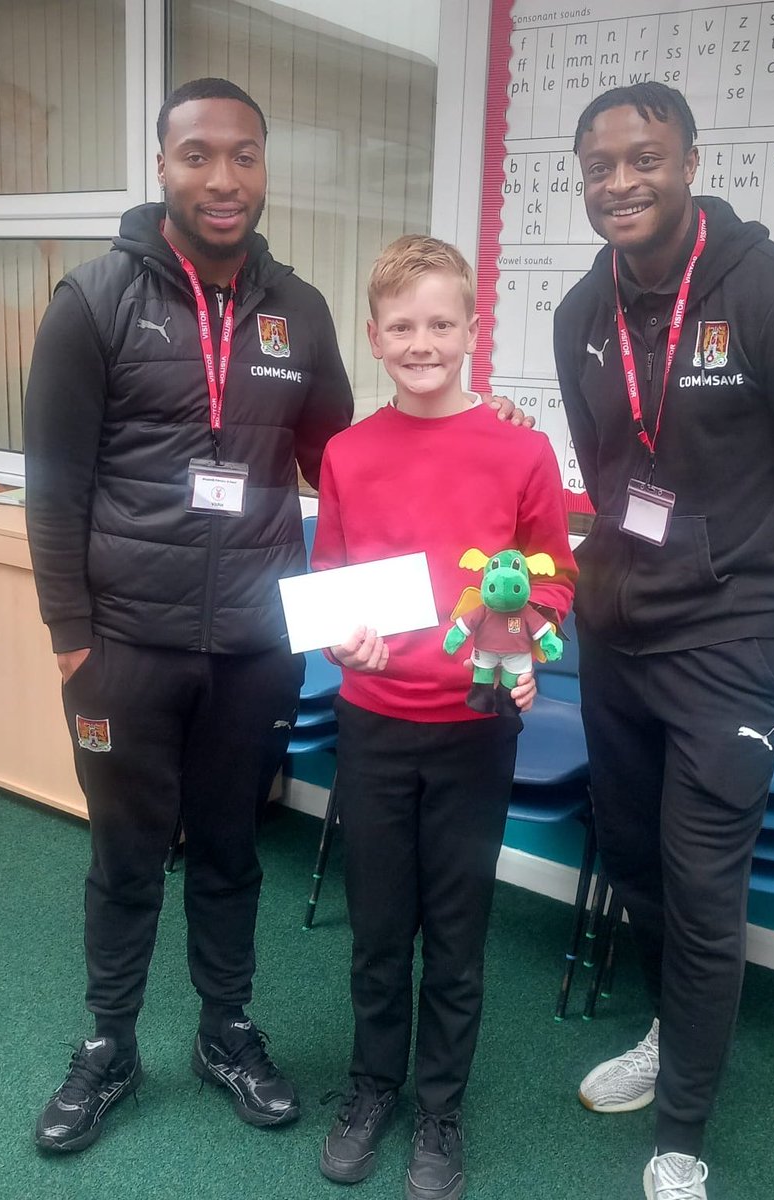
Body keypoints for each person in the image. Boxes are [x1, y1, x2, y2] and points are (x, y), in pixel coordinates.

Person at [23, 77, 532, 1156]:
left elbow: (352, 458)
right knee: (123, 853)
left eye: (244, 156)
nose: (222, 177)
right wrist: (73, 637)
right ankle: (109, 1046)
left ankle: (225, 1030)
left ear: (264, 169)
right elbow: (54, 483)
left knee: (229, 850)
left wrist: (486, 423)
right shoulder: (93, 300)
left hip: (253, 647)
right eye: (198, 154)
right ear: (163, 165)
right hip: (122, 645)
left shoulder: (295, 312)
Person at [552, 82, 774, 1200]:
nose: (620, 183)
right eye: (599, 166)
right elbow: (606, 476)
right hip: (616, 638)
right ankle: (667, 1036)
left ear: (689, 160)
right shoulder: (578, 315)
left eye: (643, 159)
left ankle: (681, 1132)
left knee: (703, 888)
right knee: (637, 862)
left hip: (732, 647)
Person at [311, 235, 576, 1200]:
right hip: (374, 720)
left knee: (455, 933)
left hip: (474, 729)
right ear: (375, 338)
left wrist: (527, 645)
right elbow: (335, 574)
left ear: (472, 329)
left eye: (441, 323)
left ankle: (439, 1110)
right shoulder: (346, 452)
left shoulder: (521, 449)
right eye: (402, 326)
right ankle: (372, 1088)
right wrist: (345, 639)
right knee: (379, 928)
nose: (423, 342)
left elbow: (553, 575)